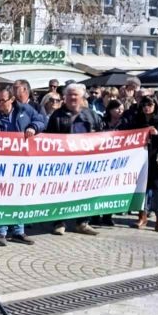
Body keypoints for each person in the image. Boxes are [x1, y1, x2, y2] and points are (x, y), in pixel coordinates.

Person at [0, 85, 45, 246]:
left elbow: (42, 120)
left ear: (12, 99)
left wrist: (33, 127)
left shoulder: (25, 110)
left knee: (19, 195)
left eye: (3, 100)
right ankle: (1, 232)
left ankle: (18, 231)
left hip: (21, 162)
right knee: (2, 196)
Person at [46, 83, 103, 236]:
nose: (72, 97)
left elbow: (101, 135)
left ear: (82, 96)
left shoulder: (91, 115)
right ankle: (59, 222)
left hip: (86, 164)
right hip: (63, 164)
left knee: (86, 192)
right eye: (69, 94)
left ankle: (82, 222)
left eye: (75, 94)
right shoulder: (57, 116)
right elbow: (49, 138)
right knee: (61, 193)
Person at [130, 93, 158, 233]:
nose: (146, 107)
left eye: (149, 104)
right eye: (143, 105)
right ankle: (142, 216)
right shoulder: (137, 118)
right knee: (142, 188)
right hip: (141, 159)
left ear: (155, 105)